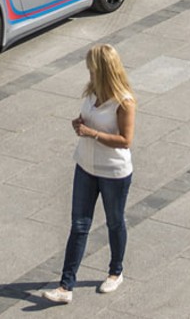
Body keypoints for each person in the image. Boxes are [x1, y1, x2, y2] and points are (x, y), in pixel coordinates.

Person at [43, 44, 136, 304]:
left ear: (104, 70)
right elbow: (89, 118)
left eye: (92, 69)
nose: (89, 73)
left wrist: (92, 133)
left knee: (115, 221)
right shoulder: (91, 92)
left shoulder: (124, 101)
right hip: (85, 165)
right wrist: (79, 123)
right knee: (79, 225)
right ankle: (65, 286)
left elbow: (125, 139)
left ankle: (116, 271)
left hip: (113, 172)